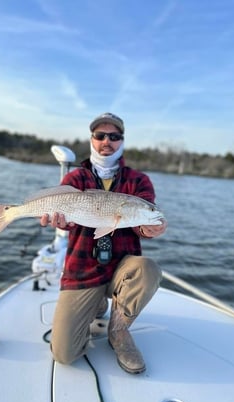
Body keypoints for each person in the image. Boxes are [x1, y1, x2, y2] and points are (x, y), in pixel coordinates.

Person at [40, 112, 167, 374]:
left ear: (122, 141)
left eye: (114, 136)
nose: (106, 141)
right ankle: (97, 304)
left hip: (121, 268)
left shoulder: (138, 181)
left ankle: (118, 331)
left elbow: (145, 218)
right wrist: (60, 222)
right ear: (92, 140)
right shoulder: (75, 179)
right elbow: (67, 221)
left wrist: (150, 227)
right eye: (100, 135)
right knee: (64, 354)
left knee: (148, 268)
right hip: (83, 271)